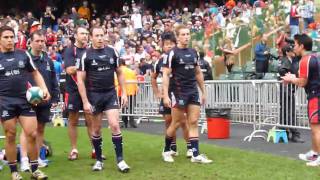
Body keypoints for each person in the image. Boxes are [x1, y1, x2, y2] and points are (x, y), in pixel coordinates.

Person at [77, 26, 130, 172]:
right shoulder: (86, 55)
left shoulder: (112, 51)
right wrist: (85, 101)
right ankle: (99, 160)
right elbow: (80, 80)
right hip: (94, 96)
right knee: (96, 128)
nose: (100, 38)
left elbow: (119, 73)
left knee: (114, 125)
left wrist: (124, 92)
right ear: (91, 37)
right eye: (97, 36)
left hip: (110, 94)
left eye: (102, 35)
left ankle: (120, 160)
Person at [0, 26, 49, 180]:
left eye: (11, 37)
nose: (9, 40)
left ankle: (35, 169)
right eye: (6, 37)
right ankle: (14, 171)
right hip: (5, 102)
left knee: (33, 134)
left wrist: (44, 88)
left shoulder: (23, 55)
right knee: (10, 135)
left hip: (24, 100)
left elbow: (35, 73)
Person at [161, 24, 212, 163]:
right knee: (176, 123)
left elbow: (198, 73)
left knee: (194, 122)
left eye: (187, 34)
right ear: (177, 37)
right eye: (183, 34)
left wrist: (204, 92)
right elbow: (166, 75)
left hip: (193, 91)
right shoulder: (172, 54)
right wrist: (165, 95)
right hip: (178, 92)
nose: (186, 37)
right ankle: (166, 150)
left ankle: (195, 155)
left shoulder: (194, 52)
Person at [19, 30, 60, 171]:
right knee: (27, 131)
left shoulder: (48, 60)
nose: (41, 43)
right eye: (38, 41)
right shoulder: (24, 58)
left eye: (43, 41)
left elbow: (53, 79)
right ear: (30, 42)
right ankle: (24, 160)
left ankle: (36, 158)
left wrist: (55, 96)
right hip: (27, 101)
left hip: (44, 101)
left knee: (41, 129)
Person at [151, 32, 192, 157]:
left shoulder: (180, 57)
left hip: (180, 93)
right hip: (167, 95)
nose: (169, 47)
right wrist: (158, 93)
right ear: (162, 46)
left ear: (176, 44)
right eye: (166, 45)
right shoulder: (159, 62)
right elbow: (153, 78)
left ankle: (190, 147)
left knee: (183, 121)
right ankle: (172, 147)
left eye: (171, 44)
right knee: (168, 121)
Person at [282, 34, 320, 166]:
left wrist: (291, 79)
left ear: (302, 46)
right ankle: (314, 153)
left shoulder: (305, 59)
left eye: (296, 45)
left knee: (316, 128)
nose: (294, 47)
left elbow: (303, 82)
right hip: (316, 94)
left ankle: (318, 157)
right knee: (315, 127)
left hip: (316, 96)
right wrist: (294, 76)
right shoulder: (315, 56)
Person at [63, 26, 99, 160]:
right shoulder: (70, 50)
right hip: (73, 89)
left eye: (86, 33)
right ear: (76, 36)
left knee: (91, 120)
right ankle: (74, 149)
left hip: (89, 90)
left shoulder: (90, 51)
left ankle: (95, 149)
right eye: (82, 33)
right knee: (73, 120)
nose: (85, 36)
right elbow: (69, 70)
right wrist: (84, 67)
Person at [278, 45, 304, 143]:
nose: (293, 52)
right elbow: (281, 70)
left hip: (287, 89)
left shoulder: (290, 60)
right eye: (291, 51)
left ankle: (283, 133)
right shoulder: (285, 60)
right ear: (287, 52)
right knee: (289, 111)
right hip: (286, 90)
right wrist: (291, 76)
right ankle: (294, 134)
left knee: (285, 111)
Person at [119, 60, 138, 128]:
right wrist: (136, 90)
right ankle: (132, 122)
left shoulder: (119, 70)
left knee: (124, 107)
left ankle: (124, 122)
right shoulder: (130, 71)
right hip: (132, 91)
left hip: (123, 92)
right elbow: (135, 81)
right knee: (131, 108)